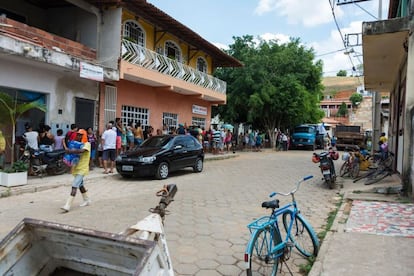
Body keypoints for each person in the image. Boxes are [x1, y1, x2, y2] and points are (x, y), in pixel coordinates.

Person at [61, 129, 91, 212]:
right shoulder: (76, 144)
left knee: (74, 185)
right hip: (76, 168)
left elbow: (82, 151)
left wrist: (70, 150)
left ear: (84, 136)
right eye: (78, 135)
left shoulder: (87, 144)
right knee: (80, 185)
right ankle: (87, 200)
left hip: (82, 169)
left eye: (80, 135)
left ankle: (67, 205)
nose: (78, 136)